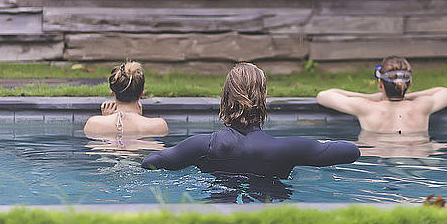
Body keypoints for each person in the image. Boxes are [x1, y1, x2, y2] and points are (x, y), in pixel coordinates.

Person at [141, 62, 360, 179]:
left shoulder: (202, 146)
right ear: (264, 98)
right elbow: (351, 151)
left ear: (225, 98)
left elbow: (151, 161)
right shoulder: (288, 148)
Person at [316, 56, 447, 134]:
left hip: (380, 159)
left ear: (380, 84)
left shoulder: (366, 107)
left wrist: (371, 97)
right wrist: (408, 96)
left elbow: (323, 96)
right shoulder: (422, 105)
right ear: (410, 83)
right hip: (417, 160)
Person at [83, 61, 169, 140]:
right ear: (142, 93)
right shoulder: (159, 126)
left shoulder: (93, 124)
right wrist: (138, 117)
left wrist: (106, 118)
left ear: (112, 93)